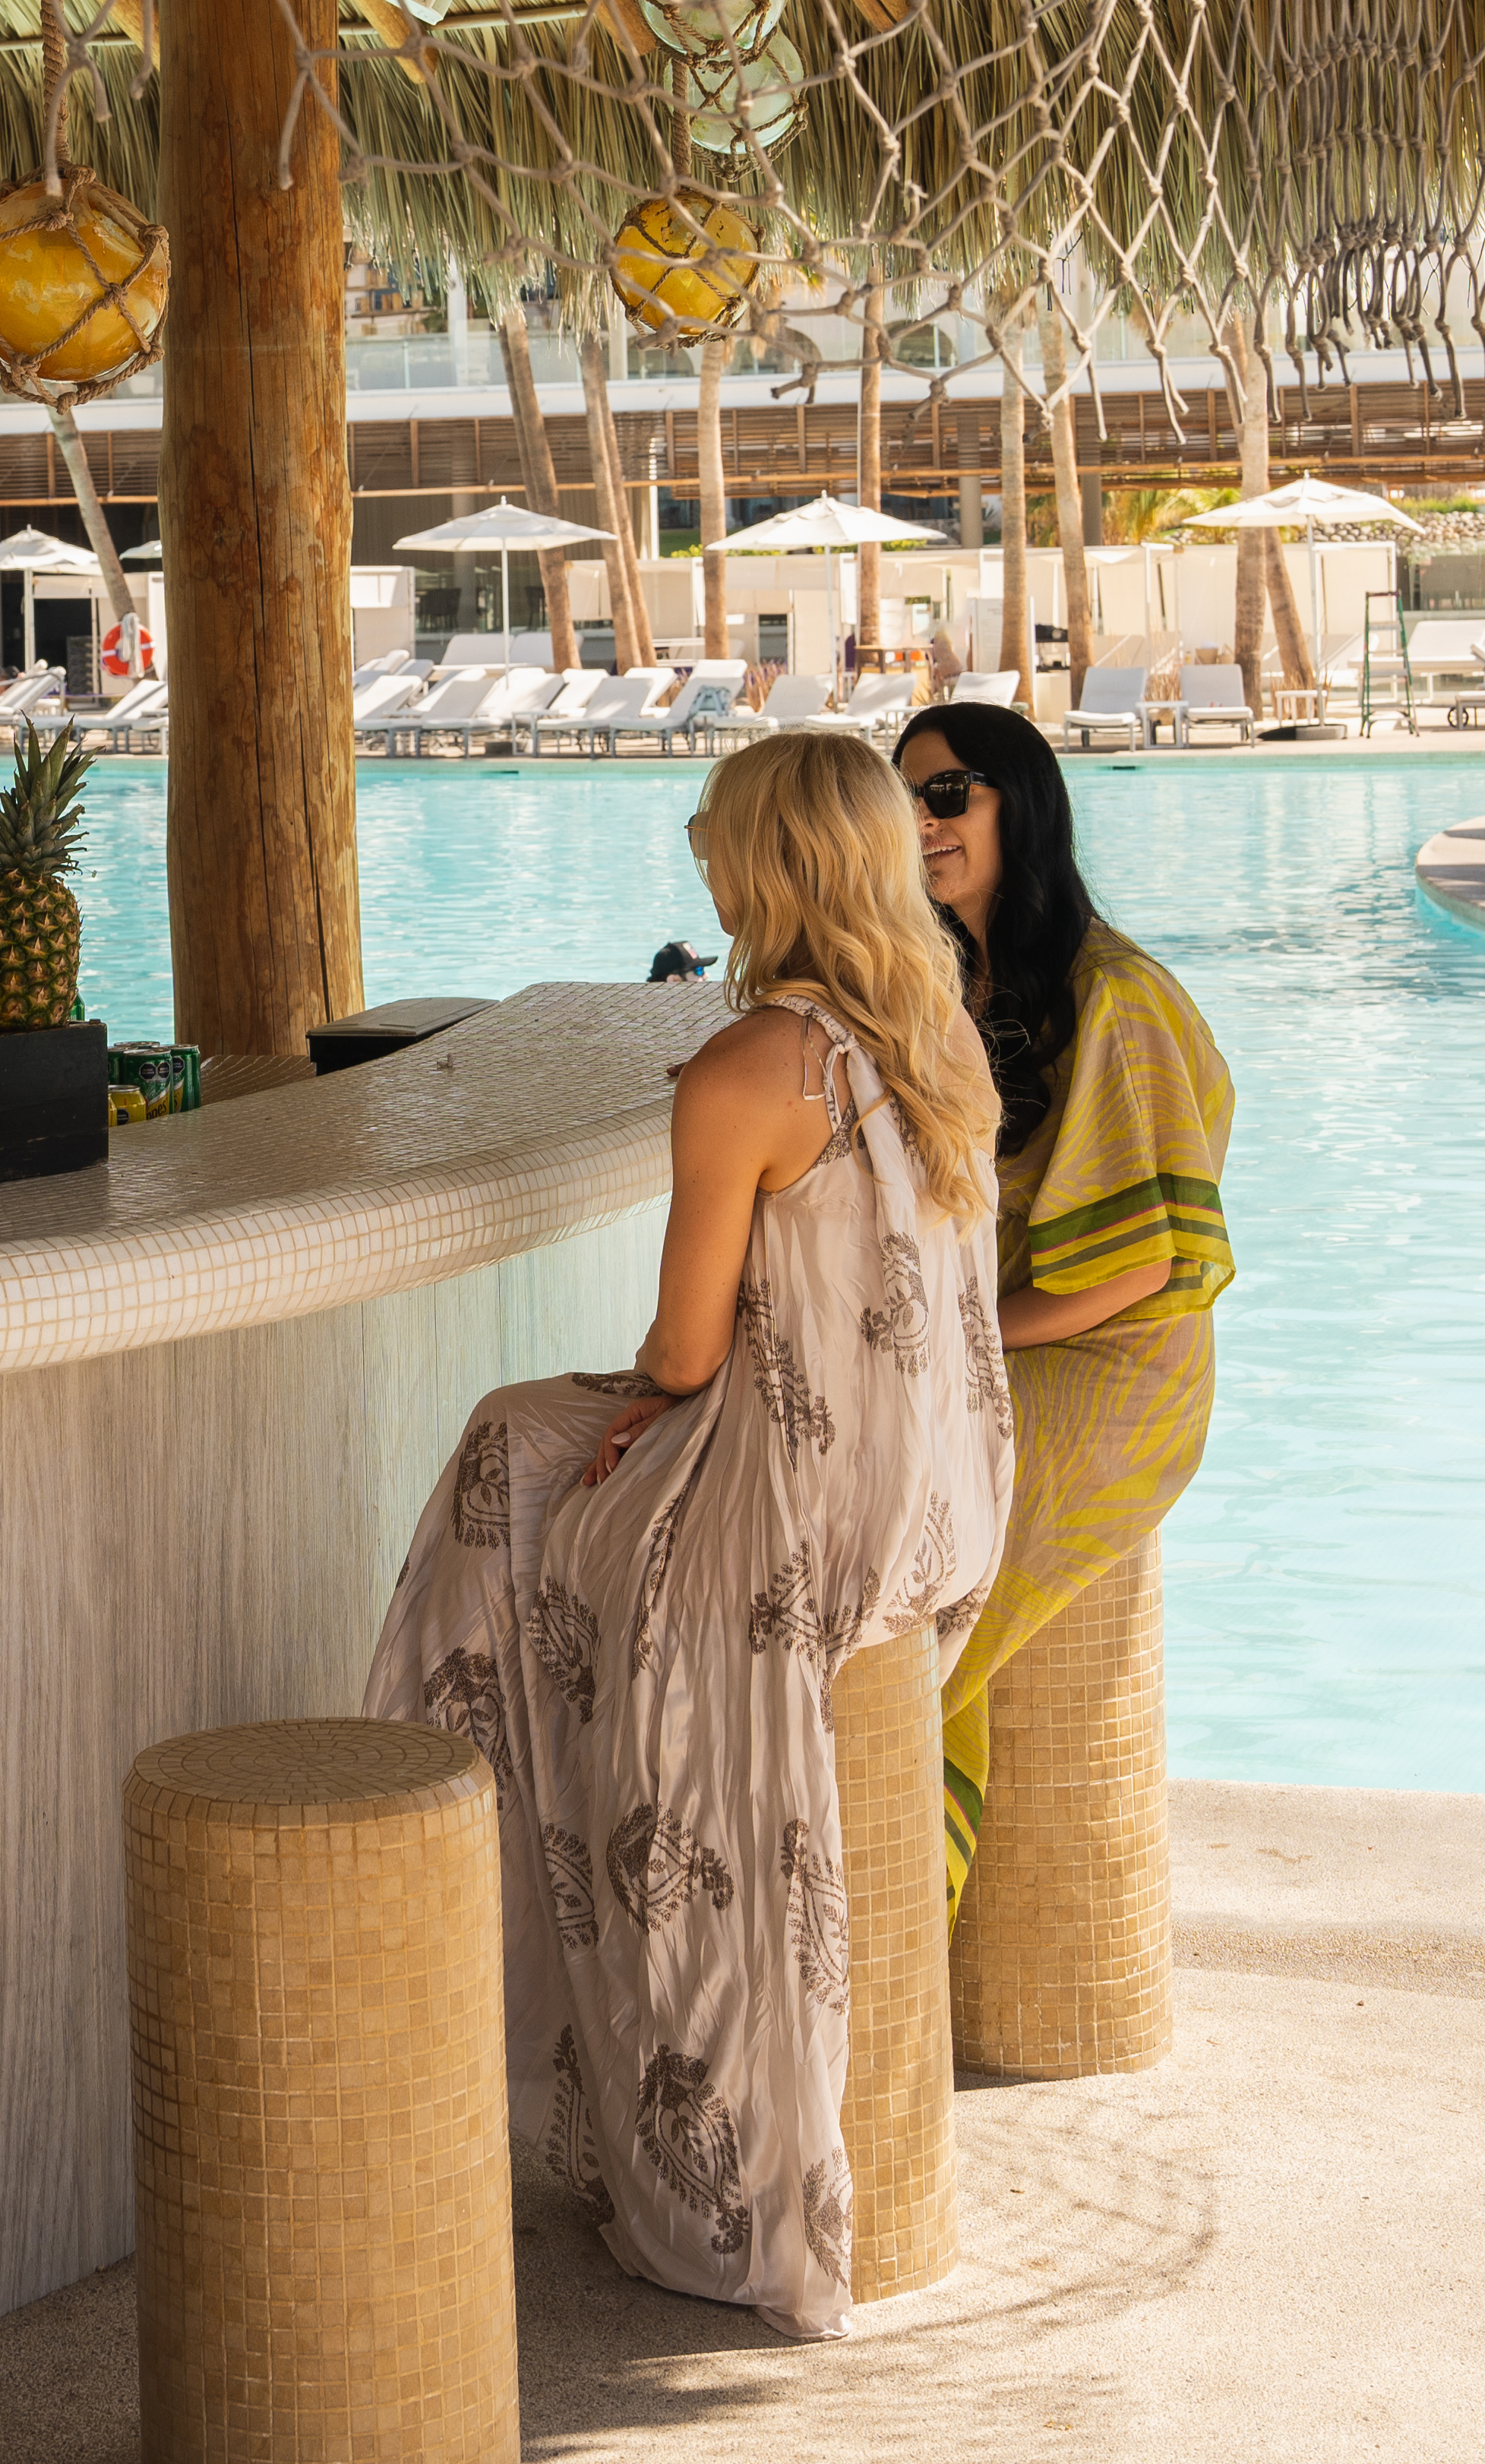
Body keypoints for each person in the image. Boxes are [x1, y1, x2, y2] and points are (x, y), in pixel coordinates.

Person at [364, 730, 1011, 2333]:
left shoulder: (744, 1074)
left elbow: (681, 1355)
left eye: (709, 831)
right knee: (535, 1447)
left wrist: (644, 1412)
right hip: (937, 1493)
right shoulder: (932, 1035)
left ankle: (445, 1891)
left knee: (509, 1459)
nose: (695, 856)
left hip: (800, 1519)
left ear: (766, 867)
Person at [893, 701, 1233, 1913]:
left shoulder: (1114, 999)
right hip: (987, 1343)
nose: (922, 819)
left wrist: (953, 1336)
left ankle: (891, 1918)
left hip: (1106, 1365)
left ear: (1018, 805)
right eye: (905, 796)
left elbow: (1136, 1269)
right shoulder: (941, 984)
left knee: (925, 1615)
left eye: (950, 793)